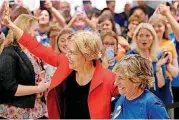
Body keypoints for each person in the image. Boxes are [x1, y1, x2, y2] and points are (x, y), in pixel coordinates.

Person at [1, 1, 118, 119]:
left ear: (86, 55)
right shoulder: (65, 62)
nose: (68, 55)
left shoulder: (108, 78)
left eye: (72, 52)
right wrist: (10, 24)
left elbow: (130, 95)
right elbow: (36, 46)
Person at [0, 13, 49, 119]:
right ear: (24, 30)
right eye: (35, 30)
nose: (37, 34)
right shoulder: (9, 52)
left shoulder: (31, 50)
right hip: (16, 112)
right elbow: (9, 88)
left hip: (36, 109)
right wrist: (38, 88)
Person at [127, 23, 173, 105]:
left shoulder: (158, 55)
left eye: (147, 35)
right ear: (136, 38)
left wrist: (158, 68)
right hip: (137, 101)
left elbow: (161, 85)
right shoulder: (131, 55)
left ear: (153, 38)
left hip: (157, 101)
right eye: (141, 35)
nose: (144, 39)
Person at [112, 54, 169, 119]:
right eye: (116, 76)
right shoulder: (122, 99)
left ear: (137, 80)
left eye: (121, 78)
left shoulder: (152, 106)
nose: (116, 83)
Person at [156, 4, 179, 118]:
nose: (157, 28)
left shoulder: (170, 43)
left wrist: (168, 64)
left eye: (160, 25)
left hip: (169, 85)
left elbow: (175, 72)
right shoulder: (146, 43)